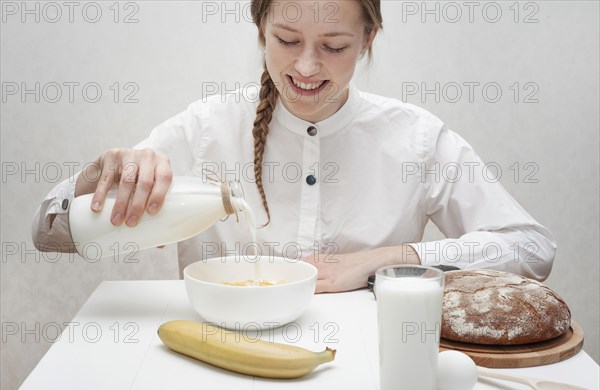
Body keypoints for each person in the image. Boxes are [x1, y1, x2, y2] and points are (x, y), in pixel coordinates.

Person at [32, 0, 556, 292]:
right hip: (218, 361)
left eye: (334, 47)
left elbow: (533, 249)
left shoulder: (416, 139)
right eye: (286, 41)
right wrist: (98, 176)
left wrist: (388, 259)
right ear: (260, 29)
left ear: (369, 40)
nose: (306, 68)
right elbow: (47, 233)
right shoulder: (207, 128)